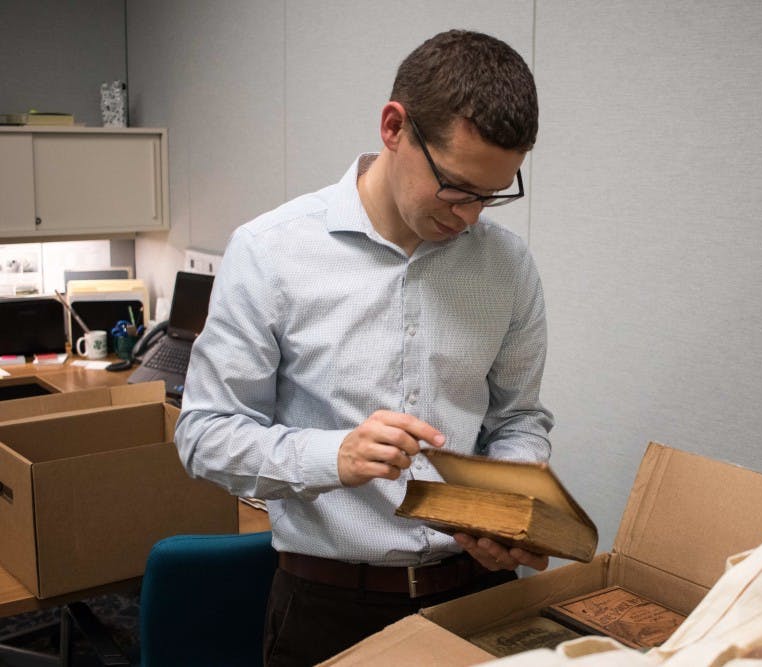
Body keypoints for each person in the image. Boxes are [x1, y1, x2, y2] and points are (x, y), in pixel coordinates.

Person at [174, 29, 553, 667]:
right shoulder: (270, 253)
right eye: (457, 188)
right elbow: (204, 433)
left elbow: (518, 418)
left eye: (491, 195)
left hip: (479, 597)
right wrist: (334, 455)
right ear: (393, 127)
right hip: (328, 607)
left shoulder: (508, 265)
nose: (471, 218)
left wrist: (508, 505)